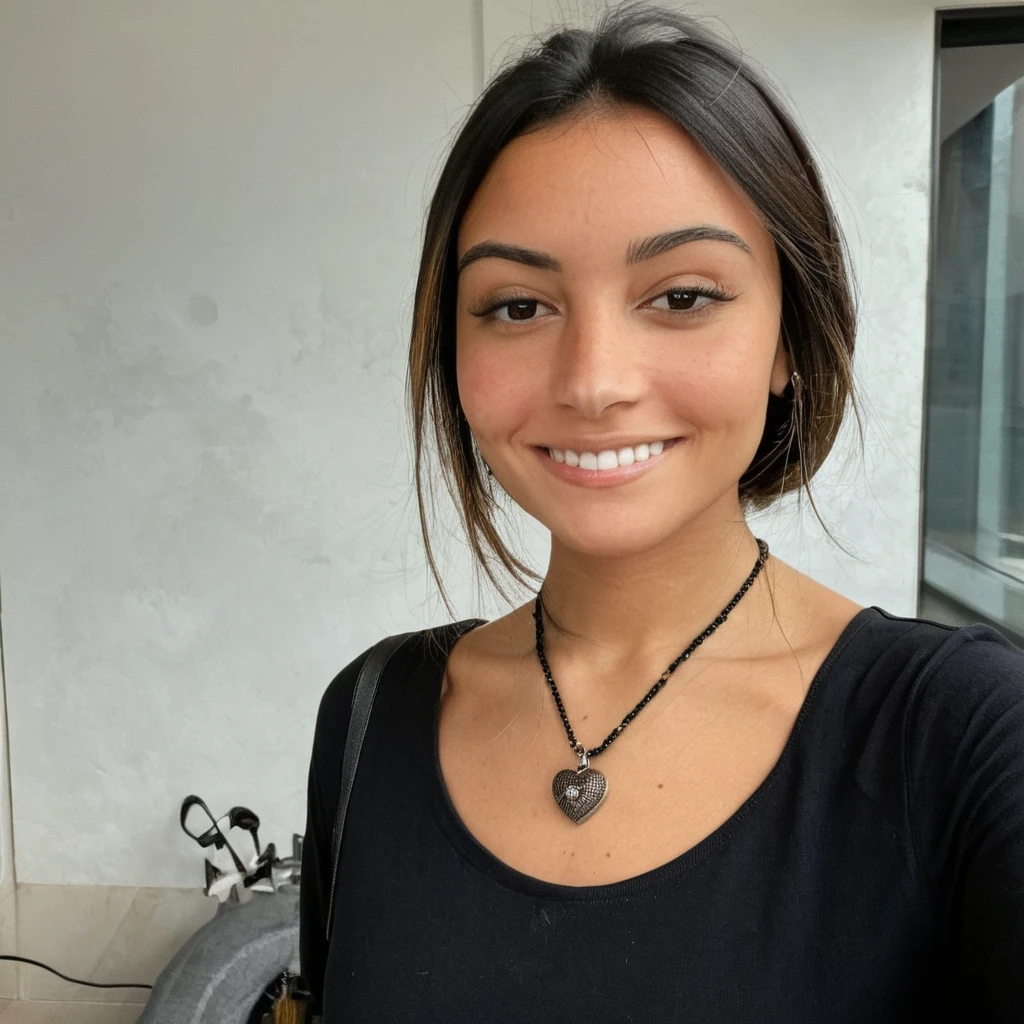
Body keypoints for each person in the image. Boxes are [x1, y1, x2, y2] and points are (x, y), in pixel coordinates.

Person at [298, 3, 1024, 1021]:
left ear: (787, 338)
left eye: (681, 296)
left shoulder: (960, 737)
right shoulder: (369, 718)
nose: (592, 381)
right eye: (516, 305)